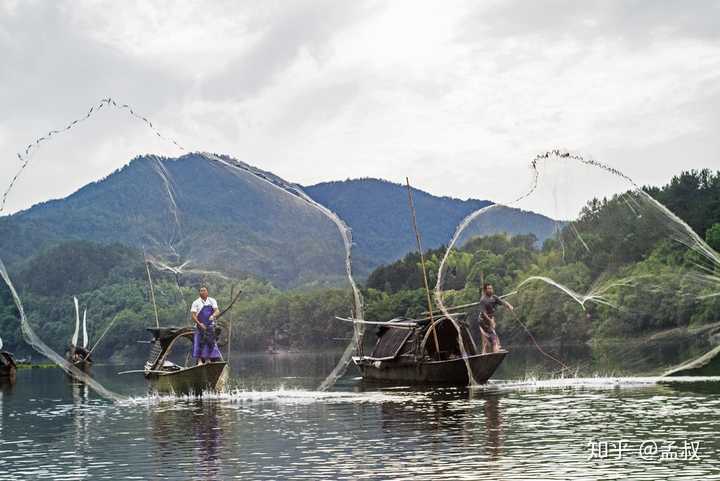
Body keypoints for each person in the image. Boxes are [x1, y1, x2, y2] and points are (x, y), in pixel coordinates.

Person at [477, 283, 514, 354]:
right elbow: (484, 313)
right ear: (485, 290)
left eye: (491, 288)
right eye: (489, 289)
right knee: (494, 338)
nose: (491, 290)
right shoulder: (483, 300)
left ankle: (484, 354)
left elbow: (502, 302)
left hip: (490, 320)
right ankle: (496, 352)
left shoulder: (494, 297)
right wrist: (490, 321)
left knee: (489, 338)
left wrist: (509, 306)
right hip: (483, 321)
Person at [191, 286, 222, 365]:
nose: (203, 292)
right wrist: (199, 323)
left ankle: (208, 360)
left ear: (207, 292)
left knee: (210, 343)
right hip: (199, 326)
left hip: (210, 325)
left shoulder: (212, 301)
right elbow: (193, 316)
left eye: (204, 290)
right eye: (201, 291)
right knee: (199, 343)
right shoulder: (196, 302)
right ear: (199, 293)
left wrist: (213, 315)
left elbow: (217, 311)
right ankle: (199, 361)